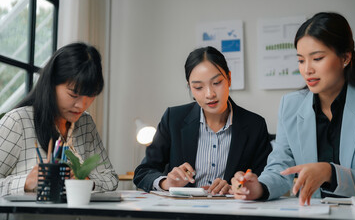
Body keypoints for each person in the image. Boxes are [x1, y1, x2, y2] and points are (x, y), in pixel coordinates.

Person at [231, 12, 355, 205]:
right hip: (312, 214)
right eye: (301, 60)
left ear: (345, 58)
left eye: (317, 58)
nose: (307, 69)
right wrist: (259, 187)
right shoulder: (291, 106)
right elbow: (280, 166)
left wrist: (330, 172)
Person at [134, 46, 272, 194]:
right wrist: (166, 182)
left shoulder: (254, 125)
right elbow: (143, 172)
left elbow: (264, 179)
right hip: (182, 214)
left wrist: (235, 188)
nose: (209, 94)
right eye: (198, 87)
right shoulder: (173, 119)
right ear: (190, 88)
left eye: (217, 83)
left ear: (229, 79)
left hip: (231, 213)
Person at [0, 42, 119, 196]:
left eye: (90, 95)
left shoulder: (85, 123)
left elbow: (110, 179)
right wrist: (25, 182)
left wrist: (85, 181)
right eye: (73, 94)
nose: (81, 105)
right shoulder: (18, 122)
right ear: (51, 83)